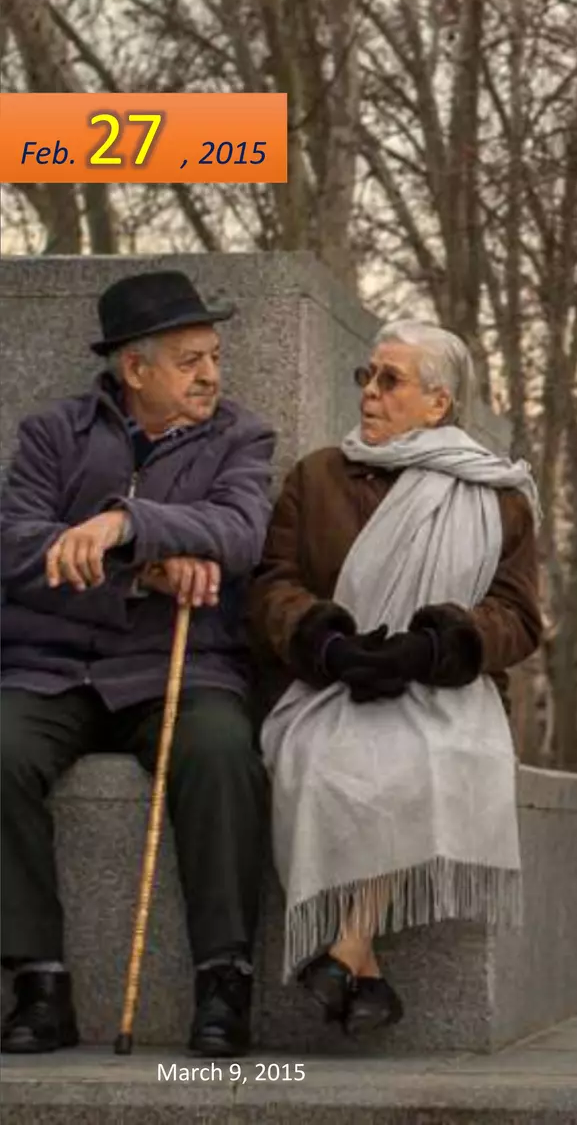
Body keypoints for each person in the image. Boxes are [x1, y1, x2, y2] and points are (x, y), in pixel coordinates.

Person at [1, 270, 277, 1057]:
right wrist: (147, 571)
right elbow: (15, 546)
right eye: (190, 360)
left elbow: (238, 531)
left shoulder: (239, 437)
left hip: (177, 669)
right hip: (50, 667)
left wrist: (125, 524)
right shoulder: (52, 433)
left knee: (224, 752)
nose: (212, 375)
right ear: (135, 369)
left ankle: (225, 980)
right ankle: (38, 981)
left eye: (214, 356)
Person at [249, 320, 540, 1038]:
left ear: (438, 404)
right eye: (367, 377)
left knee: (431, 756)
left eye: (390, 381)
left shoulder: (496, 495)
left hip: (442, 685)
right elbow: (272, 585)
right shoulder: (317, 477)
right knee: (322, 759)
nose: (370, 394)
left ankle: (347, 946)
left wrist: (437, 645)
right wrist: (327, 643)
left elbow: (518, 615)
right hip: (331, 680)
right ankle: (362, 962)